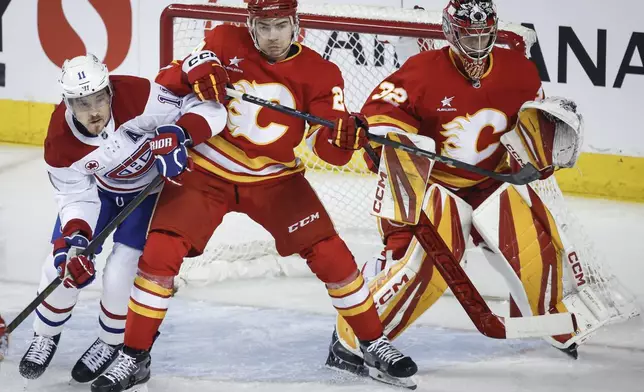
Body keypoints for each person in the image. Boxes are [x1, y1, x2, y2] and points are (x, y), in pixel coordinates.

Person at [91, 1, 418, 391]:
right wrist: (191, 71)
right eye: (264, 26)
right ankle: (134, 355)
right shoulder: (223, 41)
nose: (274, 35)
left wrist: (343, 137)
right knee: (159, 253)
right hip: (206, 171)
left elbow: (328, 151)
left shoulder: (321, 73)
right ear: (250, 24)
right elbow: (165, 83)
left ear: (296, 24)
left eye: (282, 25)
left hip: (274, 180)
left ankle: (372, 342)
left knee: (330, 253)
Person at [325, 0, 592, 375]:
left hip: (490, 183)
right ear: (451, 32)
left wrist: (538, 154)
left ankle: (546, 314)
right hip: (431, 188)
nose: (477, 44)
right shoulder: (421, 72)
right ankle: (356, 337)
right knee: (428, 264)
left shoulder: (520, 70)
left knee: (536, 241)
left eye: (484, 34)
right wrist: (381, 136)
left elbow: (533, 127)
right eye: (469, 34)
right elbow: (378, 123)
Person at [17, 54, 226, 383]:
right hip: (99, 194)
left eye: (99, 98)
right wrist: (75, 241)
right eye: (83, 104)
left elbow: (210, 110)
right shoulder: (59, 142)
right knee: (60, 267)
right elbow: (75, 197)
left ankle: (111, 341)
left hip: (149, 194)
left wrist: (181, 134)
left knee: (122, 271)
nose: (95, 111)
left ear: (110, 91)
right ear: (68, 103)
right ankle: (44, 333)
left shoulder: (137, 95)